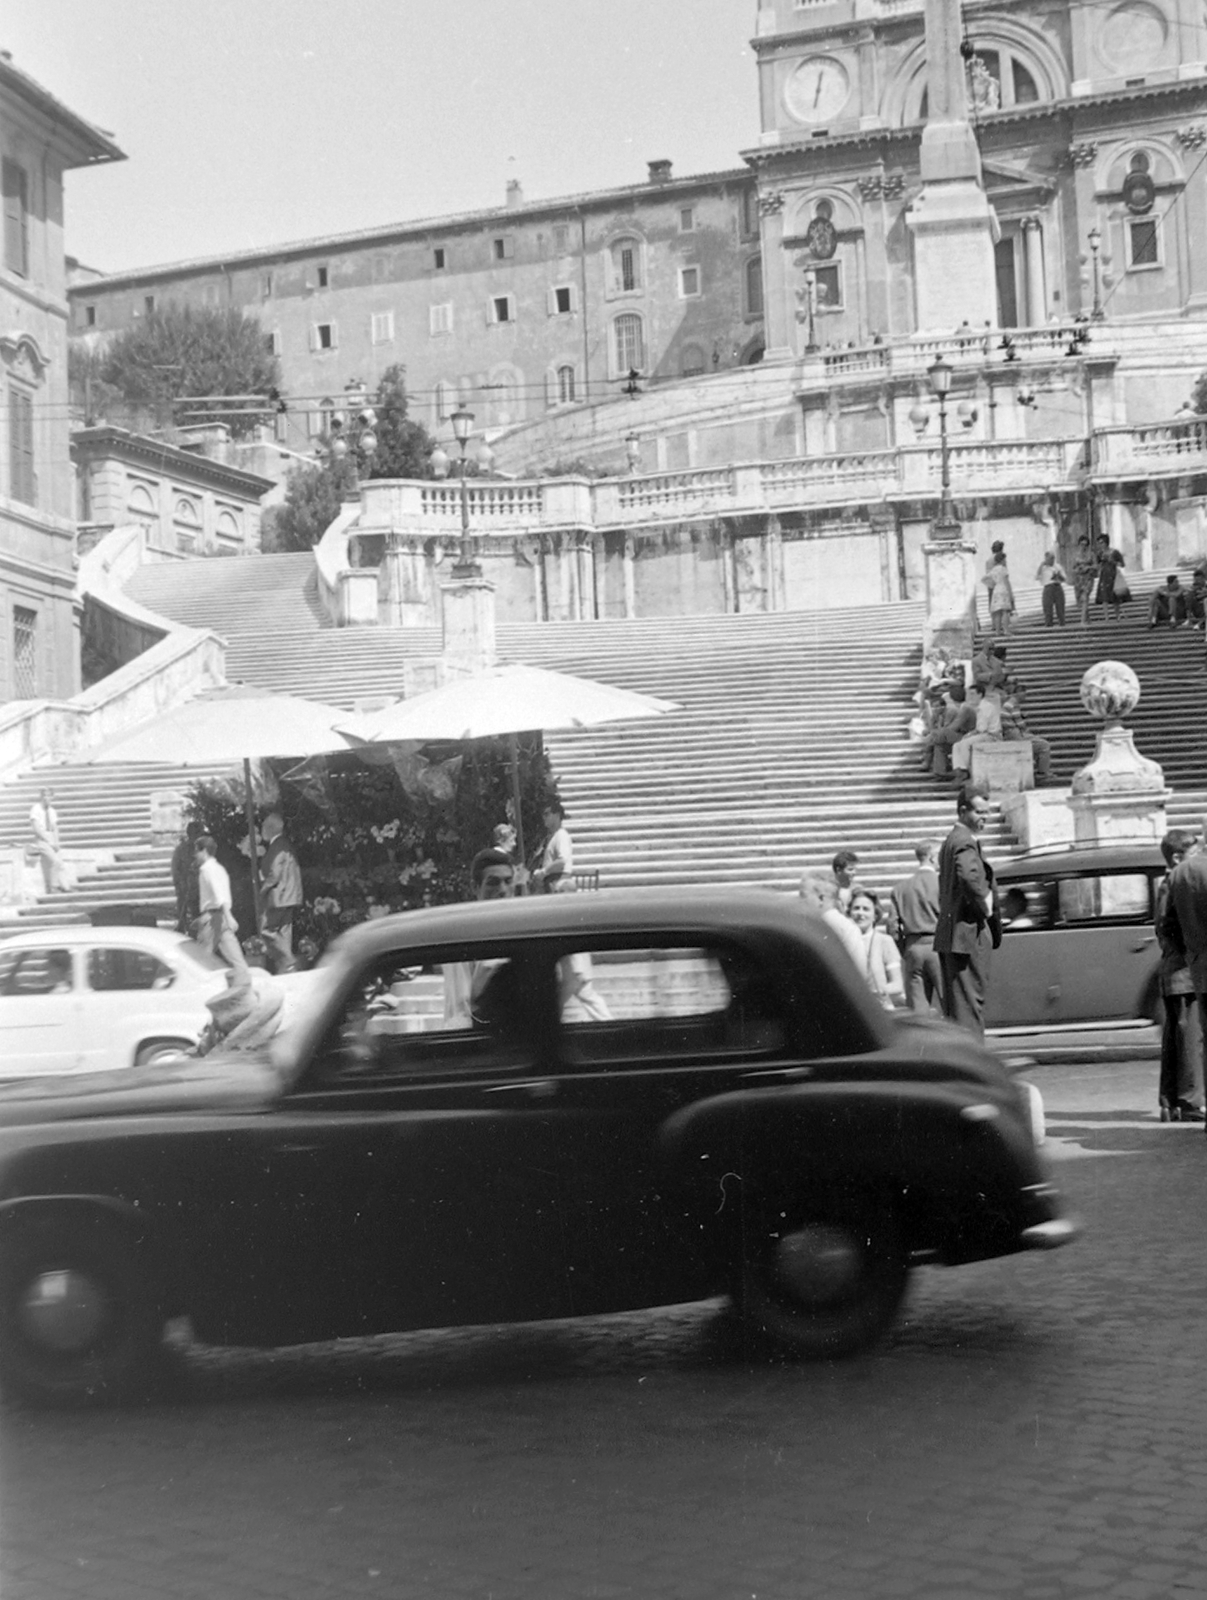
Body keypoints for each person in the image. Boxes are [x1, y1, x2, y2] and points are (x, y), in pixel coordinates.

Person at [934, 783, 1000, 1039]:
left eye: (987, 813)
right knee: (969, 1010)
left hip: (955, 935)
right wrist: (986, 903)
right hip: (967, 935)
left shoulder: (952, 841)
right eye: (979, 812)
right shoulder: (964, 843)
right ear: (963, 811)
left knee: (959, 1009)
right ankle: (973, 1070)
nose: (984, 818)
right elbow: (970, 877)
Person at [1158, 828, 1207, 1125]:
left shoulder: (1173, 879)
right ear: (1178, 857)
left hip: (1184, 968)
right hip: (1183, 972)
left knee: (1177, 1039)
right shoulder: (1173, 881)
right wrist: (1188, 952)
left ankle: (1171, 1100)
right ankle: (1188, 1100)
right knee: (1189, 1039)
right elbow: (1165, 926)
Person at [889, 840, 943, 1014]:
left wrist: (905, 948)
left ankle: (923, 1041)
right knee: (949, 1002)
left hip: (913, 947)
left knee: (918, 1009)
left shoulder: (900, 888)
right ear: (933, 857)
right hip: (939, 946)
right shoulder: (942, 884)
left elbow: (892, 926)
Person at [846, 890, 904, 1010]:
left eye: (866, 909)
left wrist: (872, 993)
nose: (860, 913)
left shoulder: (884, 941)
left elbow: (897, 985)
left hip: (878, 1009)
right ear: (849, 913)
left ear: (875, 915)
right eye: (856, 908)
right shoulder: (842, 942)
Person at [259, 812, 303, 970]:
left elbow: (275, 874)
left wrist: (262, 889)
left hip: (280, 896)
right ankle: (287, 970)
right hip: (289, 896)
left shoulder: (277, 846)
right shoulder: (285, 844)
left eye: (263, 826)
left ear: (270, 828)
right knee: (284, 933)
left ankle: (290, 961)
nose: (261, 829)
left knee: (267, 930)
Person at [798, 871, 865, 973]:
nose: (799, 901)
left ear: (821, 898)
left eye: (803, 896)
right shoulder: (807, 925)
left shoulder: (839, 928)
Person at [193, 835, 243, 966]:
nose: (195, 855)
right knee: (235, 957)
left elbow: (219, 894)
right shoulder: (219, 868)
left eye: (196, 851)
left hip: (212, 920)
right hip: (222, 919)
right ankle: (244, 978)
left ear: (204, 851)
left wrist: (229, 915)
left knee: (200, 961)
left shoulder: (207, 870)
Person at [1000, 691, 1055, 785]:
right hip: (1014, 734)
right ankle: (1042, 772)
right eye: (1024, 694)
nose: (1025, 697)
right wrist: (1027, 731)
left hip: (1011, 733)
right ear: (1018, 693)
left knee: (1038, 742)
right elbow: (1020, 724)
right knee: (1044, 745)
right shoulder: (1013, 705)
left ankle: (1040, 770)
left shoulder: (1008, 704)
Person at [951, 683, 1002, 780]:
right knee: (957, 745)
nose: (970, 697)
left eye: (973, 694)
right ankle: (958, 770)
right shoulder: (979, 707)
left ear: (980, 695)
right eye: (969, 694)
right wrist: (969, 734)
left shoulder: (986, 707)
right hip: (983, 734)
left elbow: (982, 729)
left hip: (992, 736)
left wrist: (970, 735)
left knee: (965, 744)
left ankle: (964, 770)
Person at [922, 687, 976, 778]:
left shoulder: (965, 708)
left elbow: (953, 727)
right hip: (961, 736)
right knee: (939, 745)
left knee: (942, 733)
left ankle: (928, 751)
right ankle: (940, 773)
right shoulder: (962, 707)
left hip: (967, 736)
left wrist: (933, 735)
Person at [29, 789, 66, 894]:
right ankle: (53, 887)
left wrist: (56, 842)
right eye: (44, 795)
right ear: (41, 797)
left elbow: (54, 827)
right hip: (41, 838)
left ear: (52, 797)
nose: (46, 798)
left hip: (51, 837)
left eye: (49, 796)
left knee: (61, 863)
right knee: (55, 861)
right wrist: (49, 842)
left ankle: (65, 886)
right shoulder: (36, 809)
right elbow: (36, 829)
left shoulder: (52, 811)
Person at [530, 802, 573, 893]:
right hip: (552, 882)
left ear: (557, 815)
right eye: (543, 814)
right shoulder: (552, 837)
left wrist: (543, 872)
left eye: (547, 814)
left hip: (558, 882)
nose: (543, 817)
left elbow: (562, 861)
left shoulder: (561, 836)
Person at [171, 820, 202, 934]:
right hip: (187, 892)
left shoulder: (205, 849)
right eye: (195, 833)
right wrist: (181, 885)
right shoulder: (181, 850)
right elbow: (176, 870)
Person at [1095, 540, 1127, 621]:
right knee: (1104, 597)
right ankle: (1106, 617)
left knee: (1115, 597)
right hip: (1104, 576)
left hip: (1113, 576)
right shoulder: (1099, 554)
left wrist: (1113, 562)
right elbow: (1097, 565)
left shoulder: (1114, 552)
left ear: (1106, 543)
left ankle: (1117, 615)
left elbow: (1122, 564)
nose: (1100, 545)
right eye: (1099, 543)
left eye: (1102, 542)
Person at [985, 552, 1015, 636]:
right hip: (1003, 589)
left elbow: (985, 578)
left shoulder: (993, 570)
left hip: (996, 590)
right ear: (1002, 560)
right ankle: (1006, 630)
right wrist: (1010, 593)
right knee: (1005, 611)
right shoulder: (1003, 569)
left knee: (997, 612)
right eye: (1005, 559)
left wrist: (992, 585)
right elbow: (1006, 581)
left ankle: (997, 631)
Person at [1036, 551, 1067, 627]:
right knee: (1047, 608)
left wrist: (1059, 576)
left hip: (1057, 586)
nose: (1052, 560)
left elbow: (1064, 578)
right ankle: (1049, 624)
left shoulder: (1058, 566)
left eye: (1053, 558)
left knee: (1060, 607)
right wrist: (1041, 565)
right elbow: (1037, 577)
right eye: (1050, 558)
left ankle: (1062, 623)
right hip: (1048, 587)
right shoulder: (1043, 568)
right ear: (1046, 559)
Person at [1072, 534, 1098, 627]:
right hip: (1079, 579)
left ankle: (1082, 620)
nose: (1084, 546)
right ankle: (1088, 618)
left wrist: (1088, 567)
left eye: (1085, 545)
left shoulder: (1091, 554)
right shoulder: (1075, 555)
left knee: (1085, 597)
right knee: (1080, 601)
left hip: (1088, 578)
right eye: (1082, 544)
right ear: (1079, 544)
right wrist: (1077, 570)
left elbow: (1096, 566)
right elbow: (1073, 567)